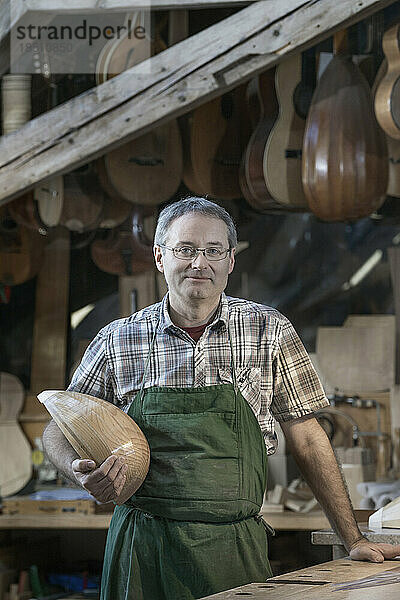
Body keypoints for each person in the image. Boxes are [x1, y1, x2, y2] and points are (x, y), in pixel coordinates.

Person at [43, 197, 400, 600]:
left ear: (231, 261)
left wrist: (351, 537)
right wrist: (79, 472)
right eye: (186, 250)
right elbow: (57, 429)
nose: (200, 263)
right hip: (141, 549)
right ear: (160, 256)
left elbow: (307, 436)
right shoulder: (117, 339)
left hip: (233, 548)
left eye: (213, 251)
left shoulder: (269, 330)